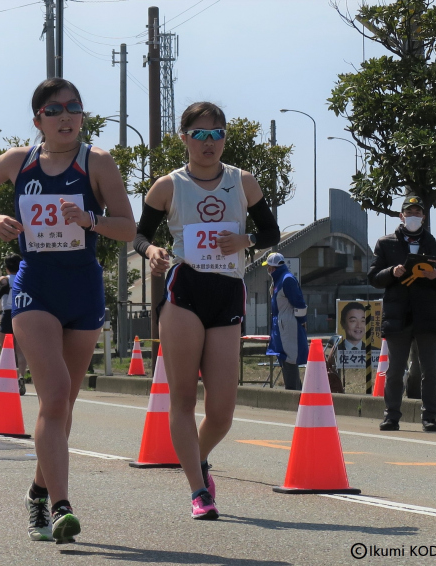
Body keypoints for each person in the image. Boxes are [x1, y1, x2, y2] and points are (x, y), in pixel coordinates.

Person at [0, 77, 135, 543]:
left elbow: (127, 227)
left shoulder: (97, 162)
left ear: (83, 115)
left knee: (64, 404)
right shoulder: (19, 161)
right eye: (53, 110)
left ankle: (37, 491)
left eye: (73, 108)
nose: (65, 117)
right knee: (53, 397)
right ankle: (61, 507)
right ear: (37, 120)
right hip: (34, 286)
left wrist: (91, 220)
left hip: (83, 289)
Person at [133, 101, 279, 520]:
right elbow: (140, 236)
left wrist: (245, 241)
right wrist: (154, 251)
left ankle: (199, 460)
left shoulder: (242, 181)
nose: (209, 142)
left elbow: (269, 231)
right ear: (184, 138)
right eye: (200, 134)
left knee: (221, 410)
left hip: (228, 292)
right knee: (181, 398)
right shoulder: (167, 186)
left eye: (217, 133)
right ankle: (199, 491)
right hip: (185, 291)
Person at [369, 196, 436, 432]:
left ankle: (429, 417)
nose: (414, 216)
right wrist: (392, 271)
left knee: (430, 370)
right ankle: (391, 416)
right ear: (401, 216)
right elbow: (373, 278)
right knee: (395, 370)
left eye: (418, 212)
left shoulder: (435, 246)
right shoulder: (386, 244)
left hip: (427, 316)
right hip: (397, 316)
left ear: (423, 216)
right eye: (409, 212)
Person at [264, 253, 308, 391]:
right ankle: (294, 389)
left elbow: (299, 303)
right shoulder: (279, 280)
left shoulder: (286, 280)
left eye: (268, 267)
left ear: (273, 267)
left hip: (288, 324)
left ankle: (293, 390)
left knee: (289, 357)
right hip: (282, 324)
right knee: (284, 356)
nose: (268, 270)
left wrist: (302, 322)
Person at [0, 254, 28, 395]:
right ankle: (21, 376)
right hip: (22, 313)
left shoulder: (6, 280)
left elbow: (3, 282)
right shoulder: (26, 279)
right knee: (21, 350)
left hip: (8, 314)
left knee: (6, 350)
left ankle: (8, 379)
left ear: (7, 268)